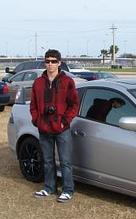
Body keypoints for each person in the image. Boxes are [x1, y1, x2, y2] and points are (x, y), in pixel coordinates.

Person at [30, 49, 79, 203]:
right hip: (44, 128)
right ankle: (49, 188)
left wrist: (65, 121)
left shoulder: (67, 81)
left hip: (61, 129)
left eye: (53, 61)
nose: (50, 64)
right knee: (48, 161)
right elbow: (33, 105)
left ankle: (68, 190)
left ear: (59, 63)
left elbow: (74, 105)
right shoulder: (38, 82)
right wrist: (36, 120)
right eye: (47, 61)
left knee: (65, 161)